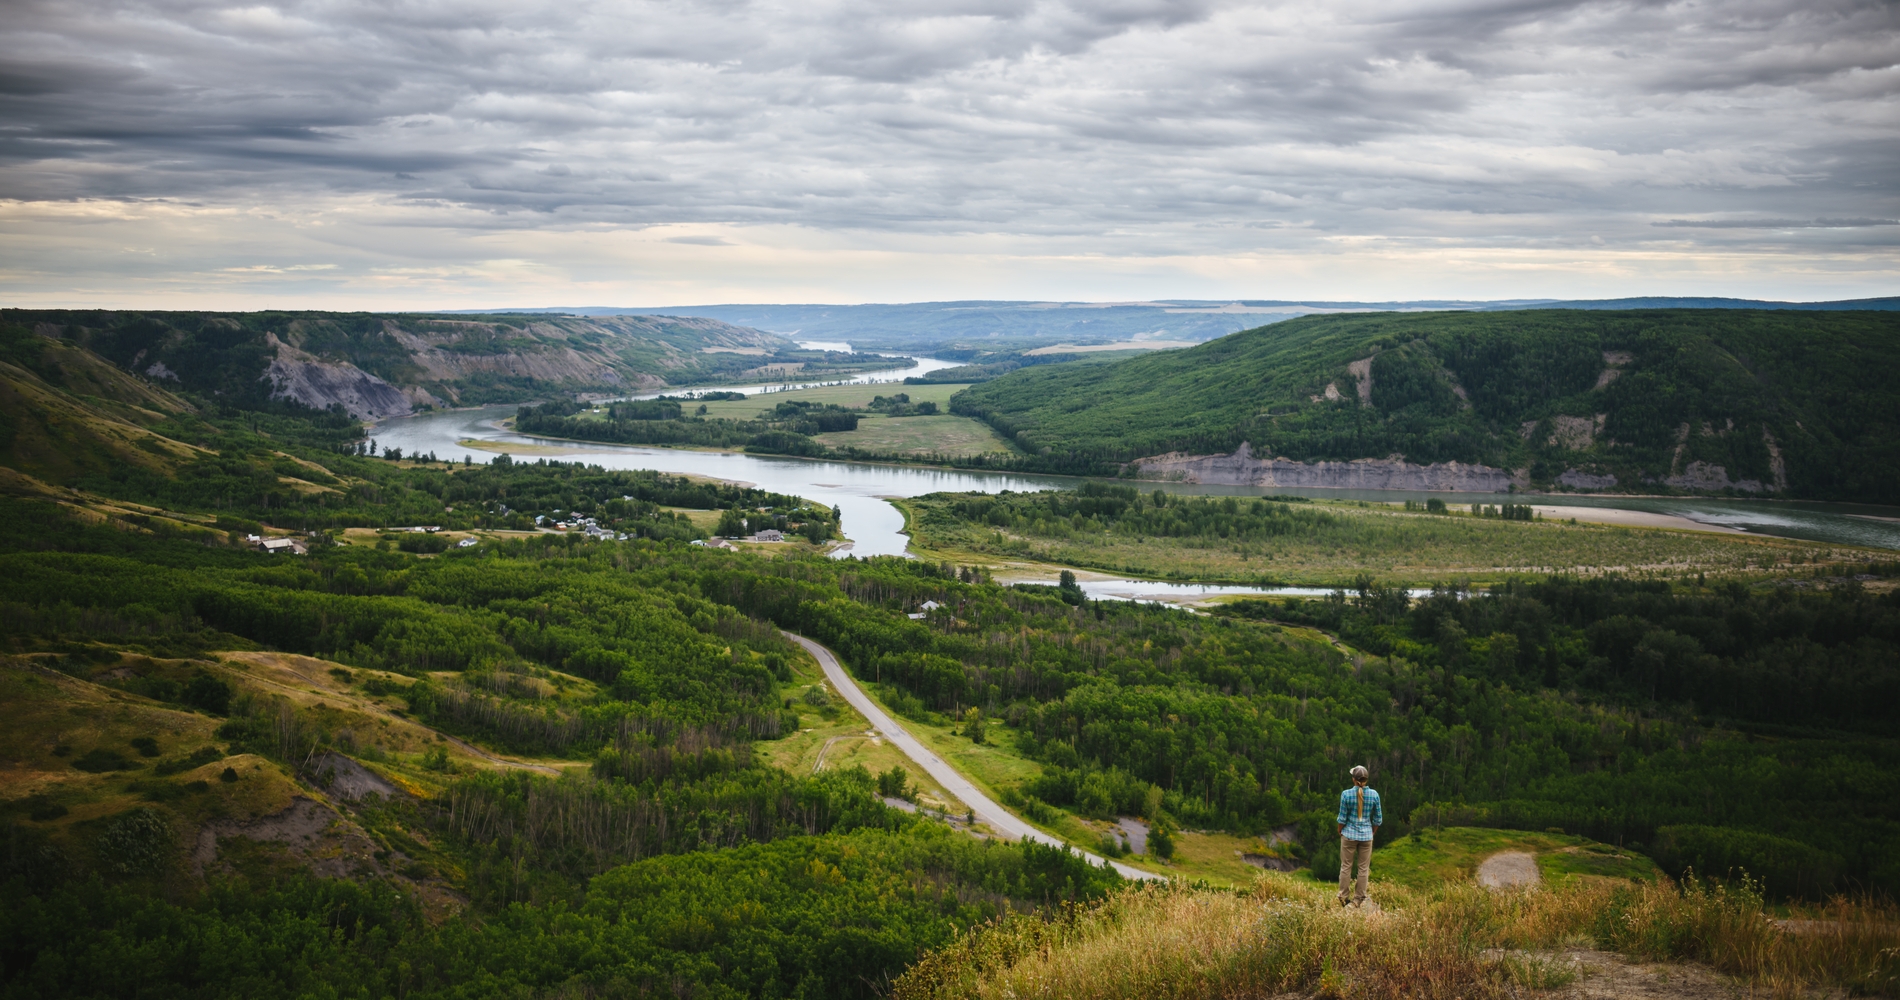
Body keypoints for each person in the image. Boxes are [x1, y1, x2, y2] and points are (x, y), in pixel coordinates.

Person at [1335, 764, 1382, 906]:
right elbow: (1378, 819)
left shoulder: (1346, 794)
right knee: (1363, 868)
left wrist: (1340, 830)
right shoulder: (1374, 794)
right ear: (1366, 779)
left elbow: (1342, 818)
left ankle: (1343, 896)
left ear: (1354, 780)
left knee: (1346, 866)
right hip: (1366, 836)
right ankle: (1358, 899)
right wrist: (1372, 831)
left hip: (1348, 835)